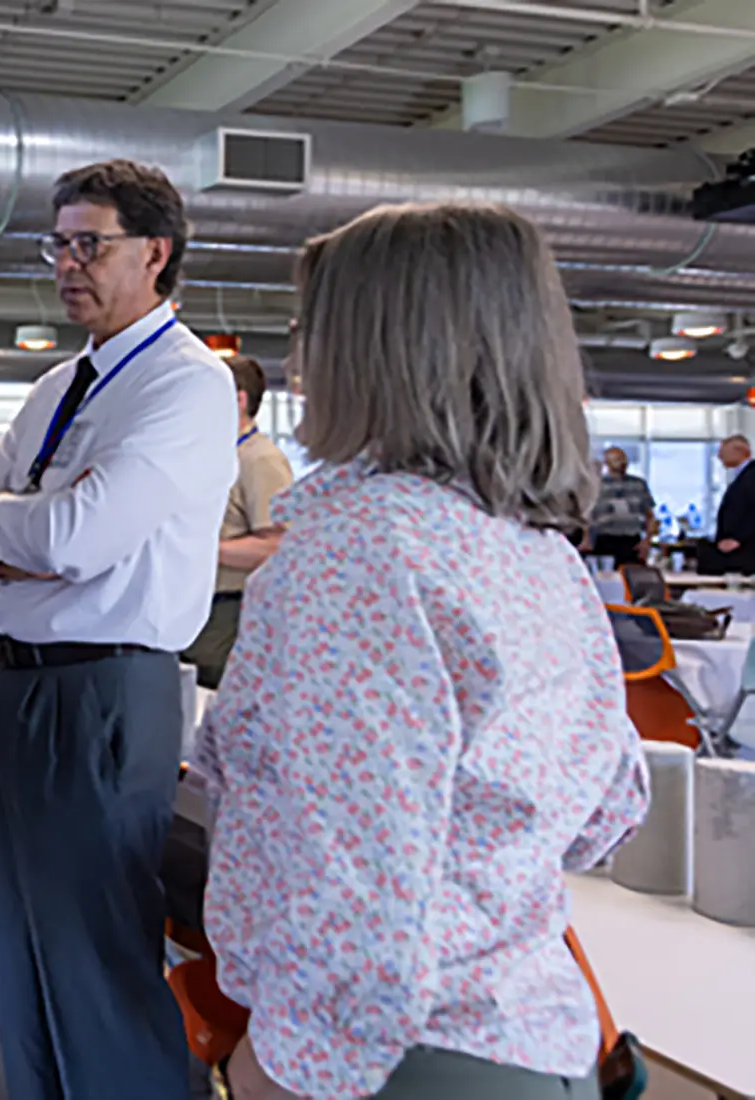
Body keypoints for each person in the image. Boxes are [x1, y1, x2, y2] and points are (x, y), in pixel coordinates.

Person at [190, 203, 649, 1100]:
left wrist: (268, 1069)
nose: (296, 361)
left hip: (391, 1059)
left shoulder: (352, 556)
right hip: (540, 1043)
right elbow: (610, 812)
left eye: (310, 329)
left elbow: (347, 892)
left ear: (373, 350)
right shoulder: (538, 555)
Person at [0, 158, 235, 1099]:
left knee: (93, 961)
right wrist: (19, 536)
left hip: (107, 687)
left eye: (90, 246)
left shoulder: (186, 385)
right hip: (21, 682)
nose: (68, 265)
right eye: (59, 245)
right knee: (23, 948)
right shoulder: (60, 385)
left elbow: (76, 538)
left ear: (155, 253)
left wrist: (18, 529)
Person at [181, 353, 293, 689]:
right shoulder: (217, 454)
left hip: (229, 609)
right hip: (195, 603)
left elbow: (277, 546)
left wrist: (203, 549)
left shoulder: (261, 459)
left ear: (239, 400)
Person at [585, 446, 654, 567]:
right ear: (607, 462)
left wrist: (647, 540)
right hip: (605, 538)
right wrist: (586, 540)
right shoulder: (597, 485)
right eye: (617, 459)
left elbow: (649, 515)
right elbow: (587, 515)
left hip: (631, 539)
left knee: (631, 573)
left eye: (624, 459)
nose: (622, 463)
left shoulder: (638, 484)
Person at [709, 434, 755, 574]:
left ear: (739, 451)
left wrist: (739, 538)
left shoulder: (752, 475)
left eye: (723, 452)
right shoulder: (741, 476)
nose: (719, 457)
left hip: (747, 550)